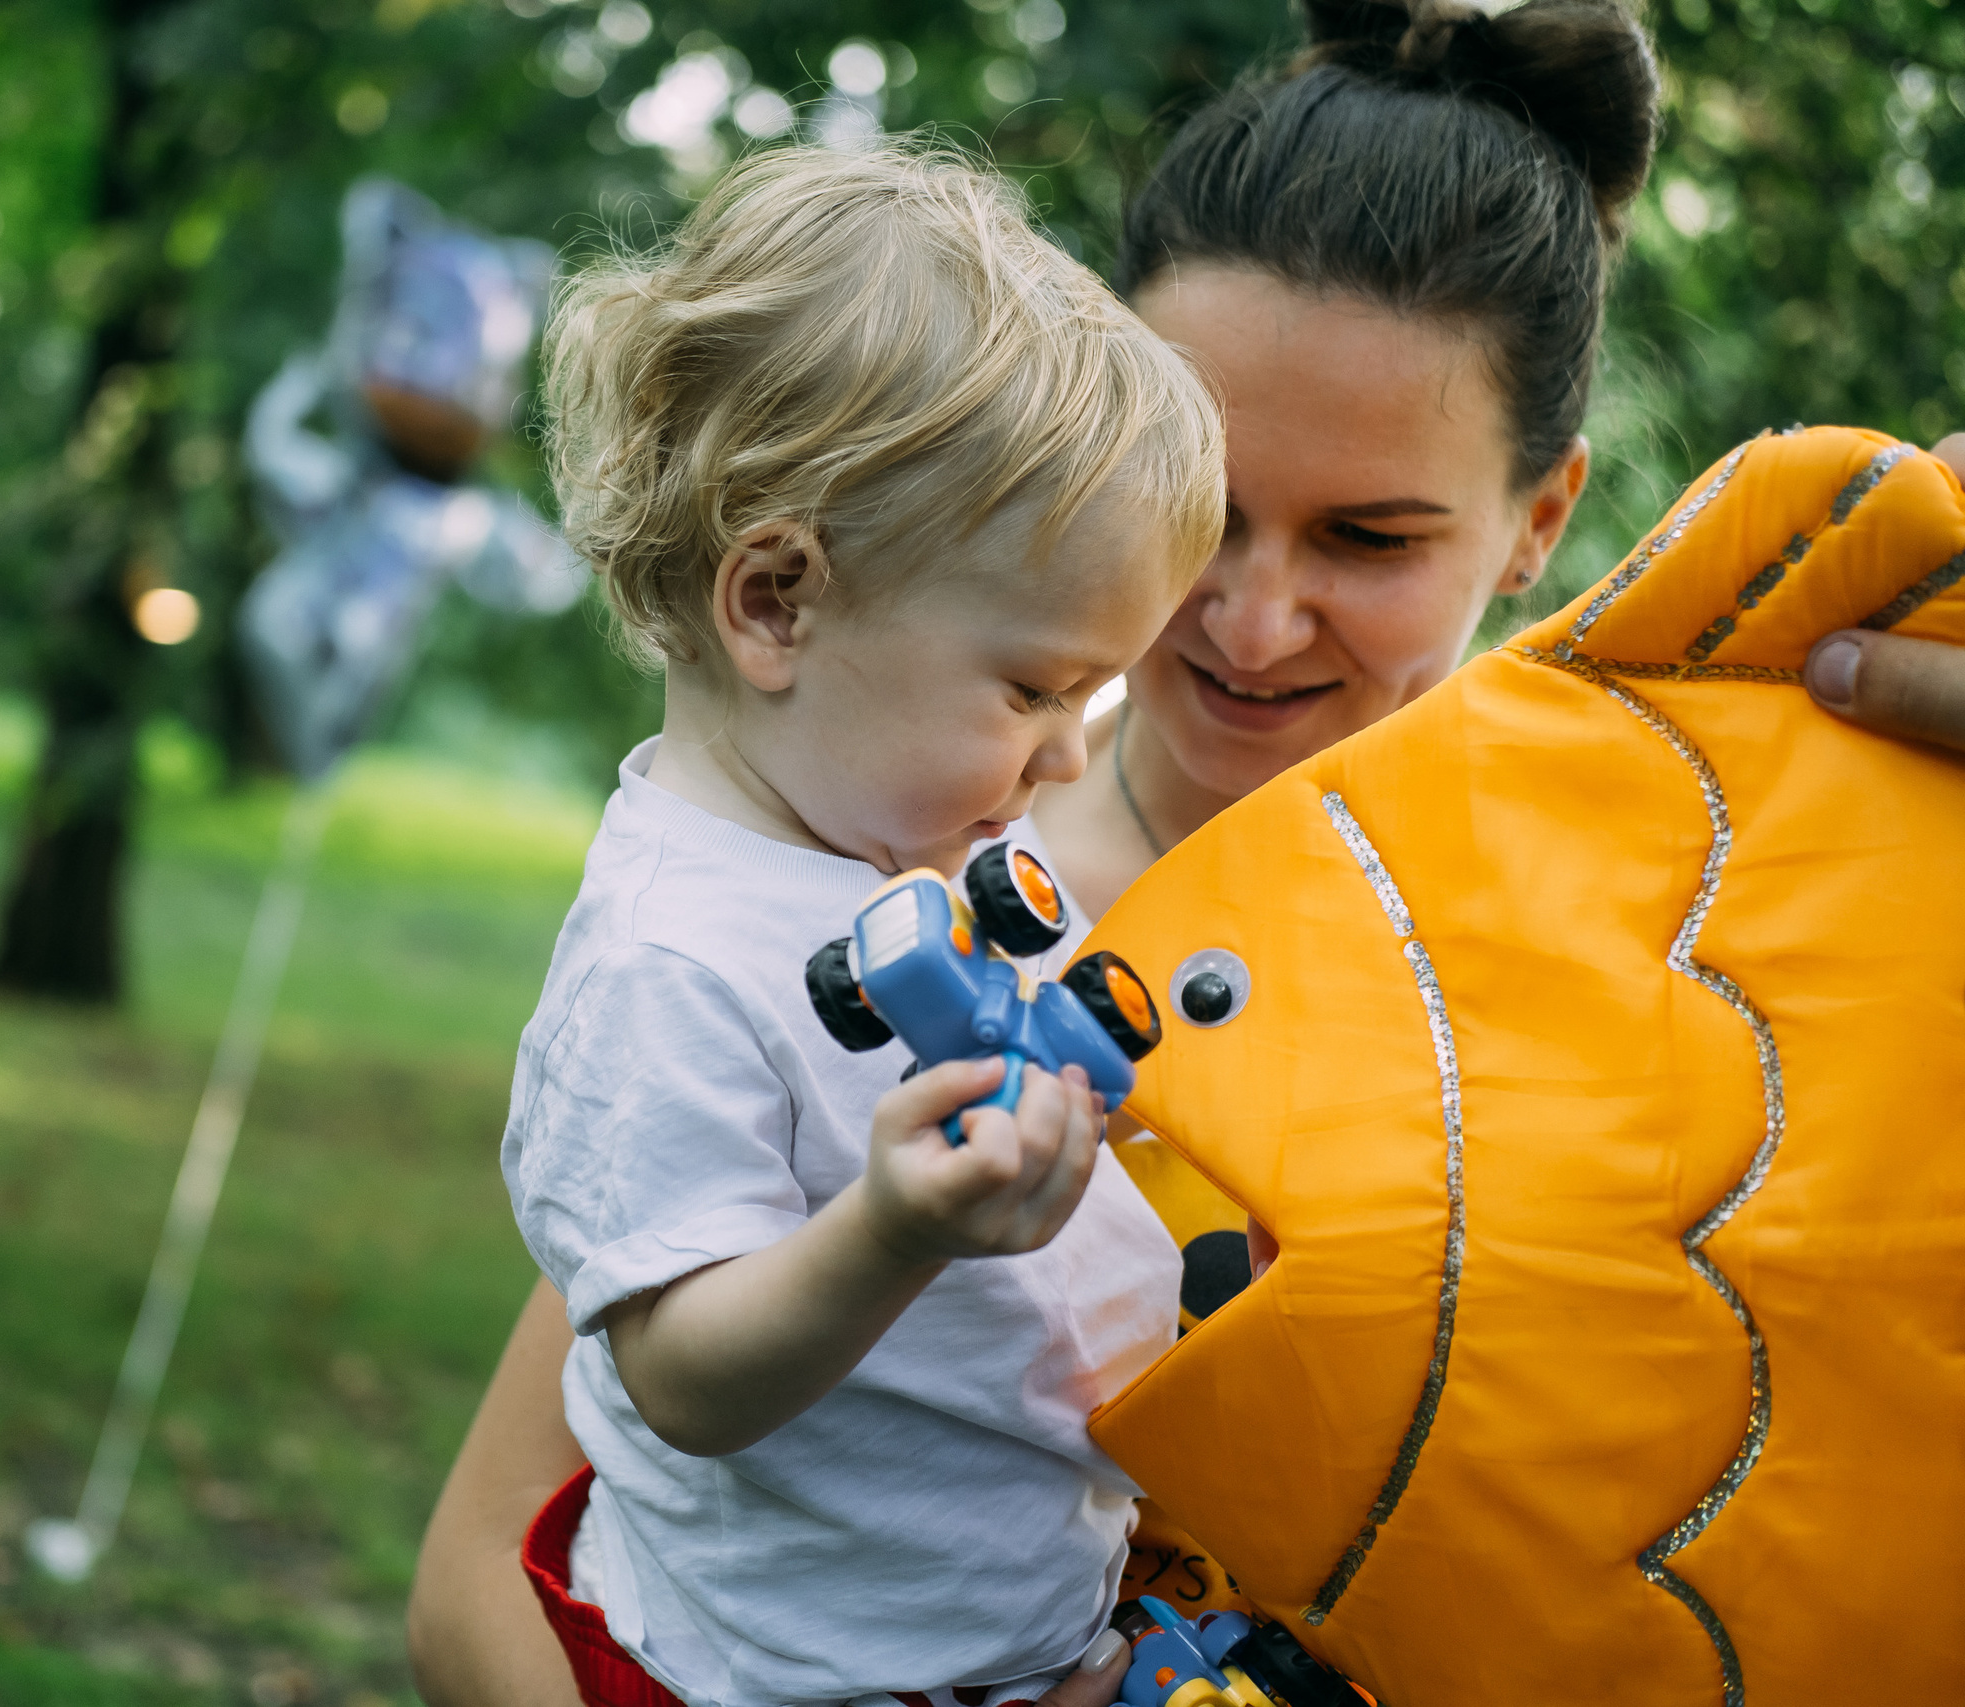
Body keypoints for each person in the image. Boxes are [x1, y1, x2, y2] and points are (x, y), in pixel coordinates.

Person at [408, 3, 1965, 1702]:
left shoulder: (1644, 940)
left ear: (1538, 518)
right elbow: (501, 1565)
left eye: (1369, 535)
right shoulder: (880, 895)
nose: (1247, 614)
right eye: (1203, 511)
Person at [495, 140, 1226, 1707]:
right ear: (776, 603)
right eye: (1032, 687)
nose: (1071, 752)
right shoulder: (669, 963)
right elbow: (679, 1373)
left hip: (1020, 1639)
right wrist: (893, 1231)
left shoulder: (875, 854)